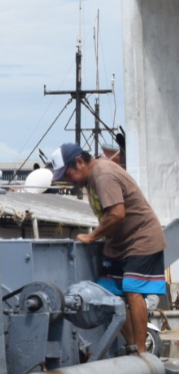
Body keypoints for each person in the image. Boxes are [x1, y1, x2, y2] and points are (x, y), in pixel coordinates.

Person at [51, 142, 168, 353]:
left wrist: (92, 236)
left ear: (79, 162)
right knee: (106, 295)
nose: (68, 181)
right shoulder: (91, 177)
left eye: (67, 175)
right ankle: (134, 347)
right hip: (119, 243)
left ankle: (142, 352)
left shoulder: (102, 174)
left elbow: (116, 214)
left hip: (141, 238)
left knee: (133, 291)